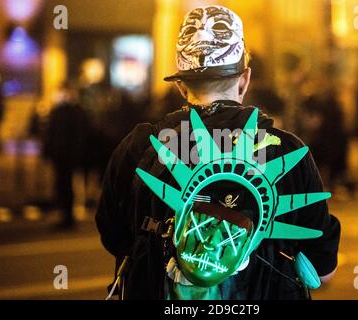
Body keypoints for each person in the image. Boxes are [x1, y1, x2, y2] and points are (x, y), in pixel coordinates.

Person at [96, 5, 340, 300]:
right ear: (244, 79)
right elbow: (323, 268)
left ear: (182, 87)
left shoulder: (139, 147)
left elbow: (115, 239)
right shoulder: (288, 152)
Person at [44, 83, 91, 229]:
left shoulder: (75, 112)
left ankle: (68, 216)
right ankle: (64, 215)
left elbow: (80, 135)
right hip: (60, 154)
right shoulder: (58, 111)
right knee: (61, 184)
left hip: (68, 155)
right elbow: (50, 134)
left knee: (66, 185)